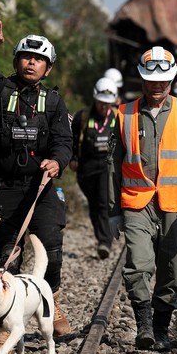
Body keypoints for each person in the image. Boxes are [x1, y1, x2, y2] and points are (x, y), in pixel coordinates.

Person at [0, 20, 73, 344]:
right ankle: (5, 326)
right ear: (15, 61)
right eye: (25, 56)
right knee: (8, 259)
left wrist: (57, 161)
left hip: (41, 188)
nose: (31, 62)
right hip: (6, 188)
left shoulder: (53, 102)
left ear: (48, 68)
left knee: (51, 250)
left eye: (38, 59)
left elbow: (63, 142)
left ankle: (51, 299)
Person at [108, 46, 177, 352]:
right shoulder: (124, 114)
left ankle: (161, 328)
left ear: (171, 81)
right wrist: (112, 210)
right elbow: (113, 166)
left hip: (174, 203)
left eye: (164, 82)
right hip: (137, 202)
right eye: (151, 81)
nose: (157, 87)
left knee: (170, 268)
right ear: (142, 80)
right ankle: (143, 325)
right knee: (138, 264)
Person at [69, 77, 119, 260]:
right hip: (86, 167)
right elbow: (72, 140)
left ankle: (105, 242)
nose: (104, 107)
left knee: (103, 202)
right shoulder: (82, 117)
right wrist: (72, 158)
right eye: (101, 103)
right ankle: (102, 237)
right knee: (93, 204)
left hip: (107, 165)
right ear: (95, 99)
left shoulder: (117, 117)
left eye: (107, 104)